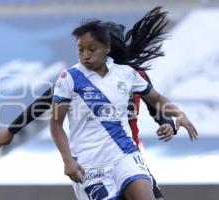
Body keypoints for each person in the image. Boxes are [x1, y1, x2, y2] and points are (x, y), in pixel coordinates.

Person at [0, 7, 187, 200]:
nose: (88, 54)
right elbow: (42, 104)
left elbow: (156, 107)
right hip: (93, 160)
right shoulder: (75, 77)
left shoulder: (132, 75)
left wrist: (167, 124)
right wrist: (12, 130)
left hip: (128, 153)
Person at [50, 8, 197, 200]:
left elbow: (156, 99)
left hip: (124, 155)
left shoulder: (126, 74)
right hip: (90, 165)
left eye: (91, 49)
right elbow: (55, 124)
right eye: (80, 49)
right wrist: (67, 160)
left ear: (107, 48)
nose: (85, 55)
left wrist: (177, 115)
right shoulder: (69, 78)